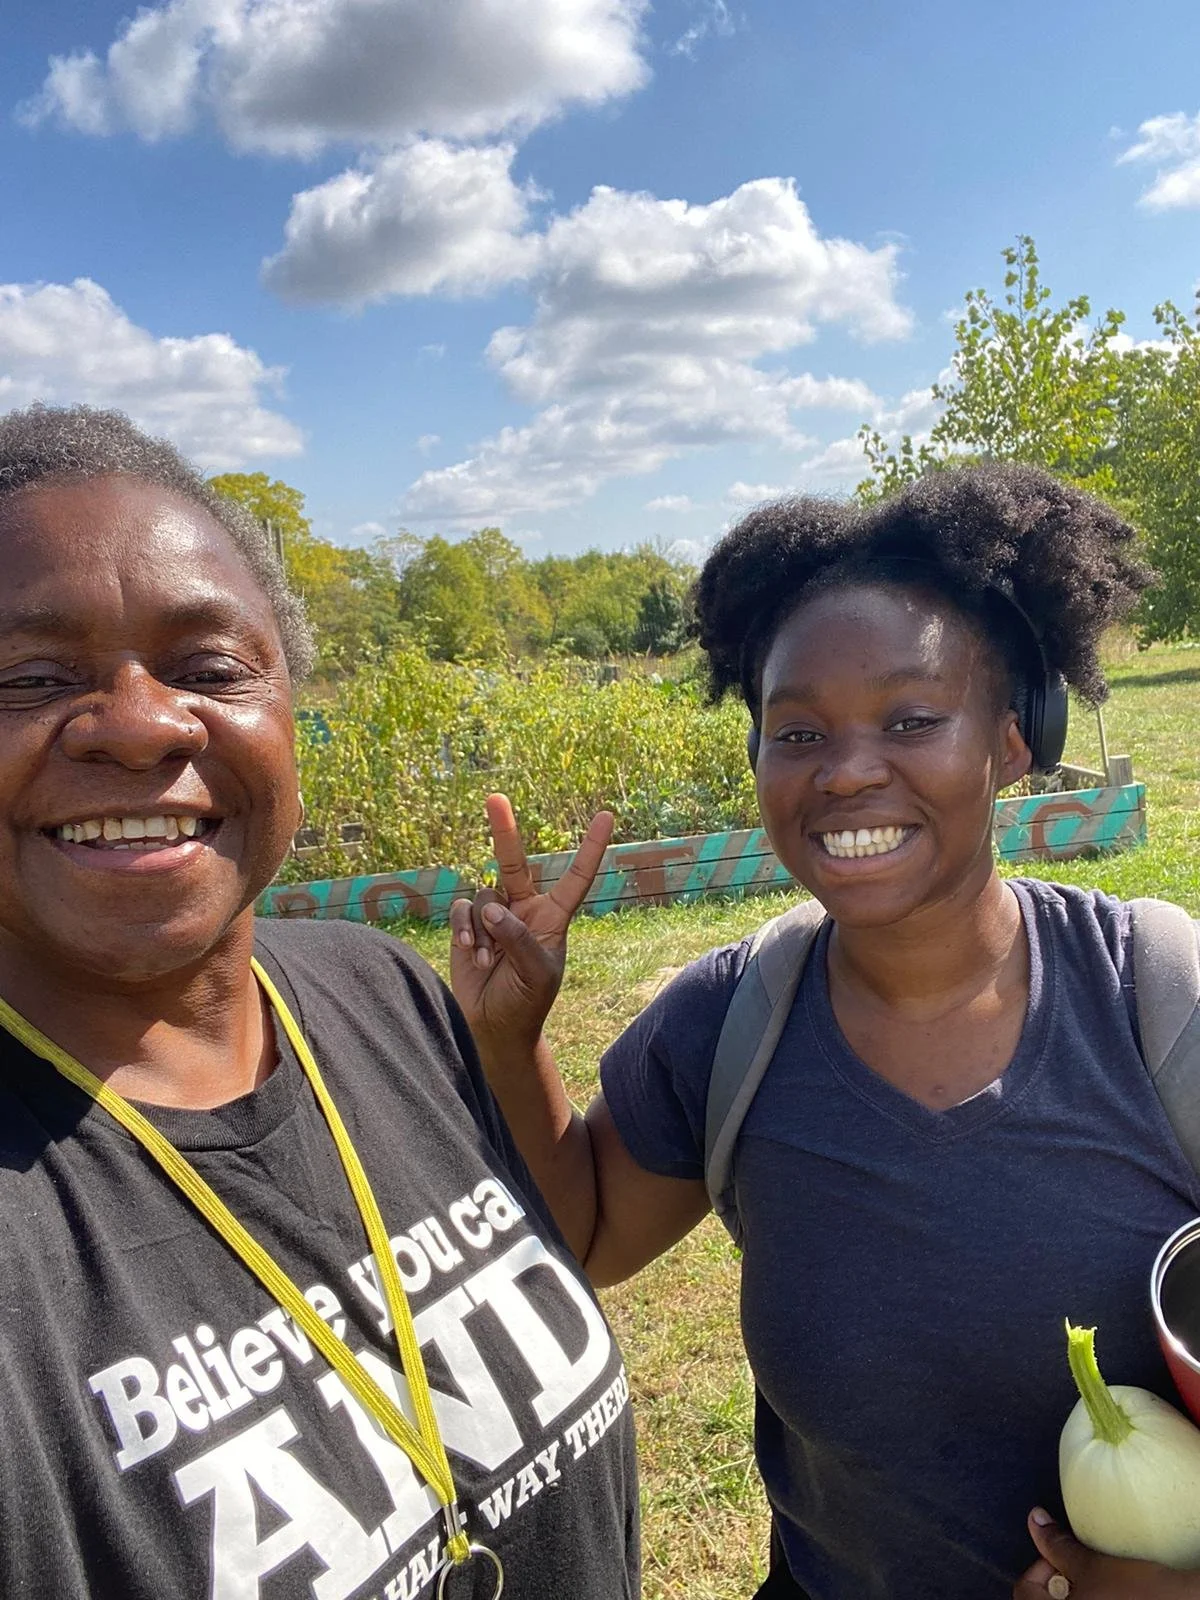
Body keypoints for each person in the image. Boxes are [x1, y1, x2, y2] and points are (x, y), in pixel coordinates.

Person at [448, 463, 1200, 1600]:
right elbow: (591, 1236)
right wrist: (512, 1044)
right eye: (797, 732)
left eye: (911, 719)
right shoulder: (731, 1022)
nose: (847, 772)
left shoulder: (1158, 1000)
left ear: (1013, 739)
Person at [0, 403, 639, 1600]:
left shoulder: (377, 987)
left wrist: (509, 1048)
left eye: (209, 669)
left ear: (290, 706)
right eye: (32, 677)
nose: (141, 724)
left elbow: (575, 1235)